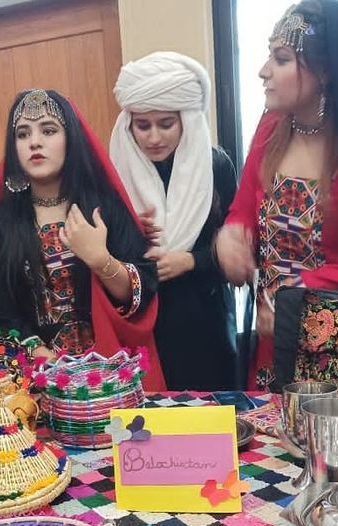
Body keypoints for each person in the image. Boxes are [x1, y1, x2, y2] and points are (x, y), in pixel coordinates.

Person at [216, 0, 338, 390]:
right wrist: (231, 236)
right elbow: (243, 210)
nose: (263, 71)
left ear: (325, 71)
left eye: (281, 58)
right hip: (275, 341)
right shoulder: (271, 130)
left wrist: (295, 297)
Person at [0, 89, 165, 390]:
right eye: (23, 134)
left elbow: (141, 291)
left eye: (48, 130)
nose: (34, 142)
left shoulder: (103, 208)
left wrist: (101, 261)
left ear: (71, 139)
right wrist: (38, 353)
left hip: (112, 373)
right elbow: (1, 316)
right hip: (40, 381)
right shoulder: (2, 225)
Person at [110, 52, 237, 390]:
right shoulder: (116, 177)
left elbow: (239, 251)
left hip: (204, 317)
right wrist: (130, 233)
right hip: (144, 320)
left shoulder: (216, 168)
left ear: (186, 120)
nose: (154, 137)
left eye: (165, 124)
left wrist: (190, 261)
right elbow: (106, 258)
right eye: (142, 125)